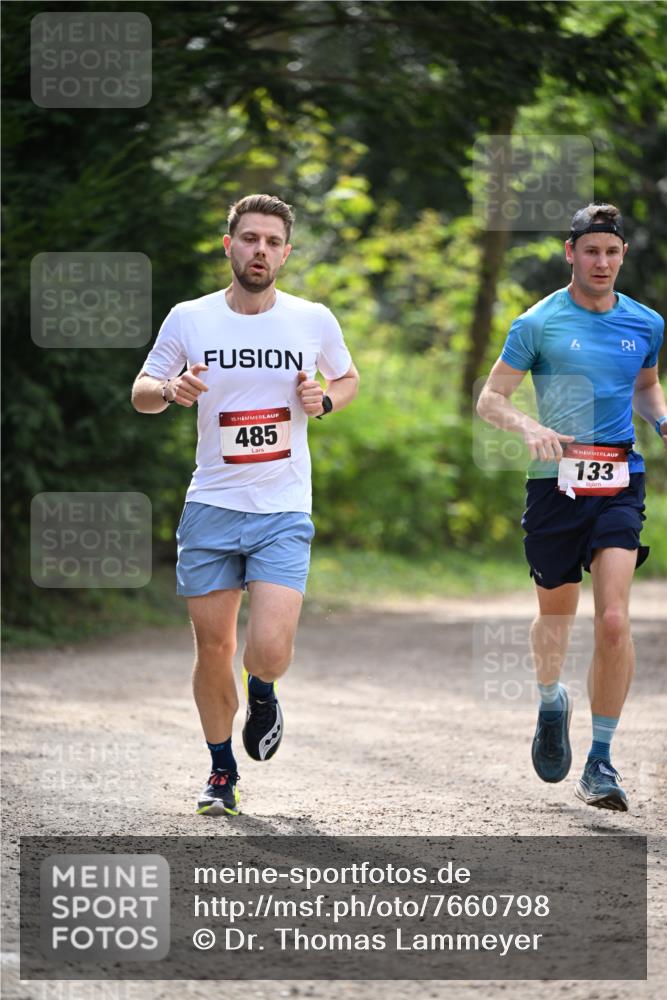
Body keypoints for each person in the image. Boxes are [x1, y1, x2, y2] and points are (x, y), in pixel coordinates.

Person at [131, 194, 359, 816]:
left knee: (269, 649)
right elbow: (142, 391)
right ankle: (221, 772)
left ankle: (264, 692)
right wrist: (170, 388)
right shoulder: (190, 318)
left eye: (272, 242)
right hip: (211, 505)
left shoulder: (312, 319)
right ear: (229, 244)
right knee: (213, 650)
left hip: (283, 508)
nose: (261, 250)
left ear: (286, 253)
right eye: (250, 238)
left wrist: (326, 401)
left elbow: (347, 377)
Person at [477, 203, 666, 812]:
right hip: (554, 484)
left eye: (612, 253)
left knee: (613, 620)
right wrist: (527, 425)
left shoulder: (646, 322)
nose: (602, 262)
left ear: (622, 257)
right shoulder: (537, 324)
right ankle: (551, 698)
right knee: (556, 616)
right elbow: (491, 398)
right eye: (592, 252)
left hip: (620, 478)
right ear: (571, 253)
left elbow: (644, 385)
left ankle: (602, 760)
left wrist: (661, 418)